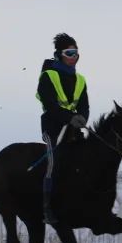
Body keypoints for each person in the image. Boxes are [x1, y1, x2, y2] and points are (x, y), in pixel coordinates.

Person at [36, 32, 89, 225]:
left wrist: (82, 118)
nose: (74, 57)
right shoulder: (48, 76)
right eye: (69, 53)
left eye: (76, 53)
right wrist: (70, 117)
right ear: (59, 55)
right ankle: (47, 208)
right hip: (52, 127)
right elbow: (50, 105)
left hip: (72, 129)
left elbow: (84, 106)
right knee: (54, 163)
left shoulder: (81, 80)